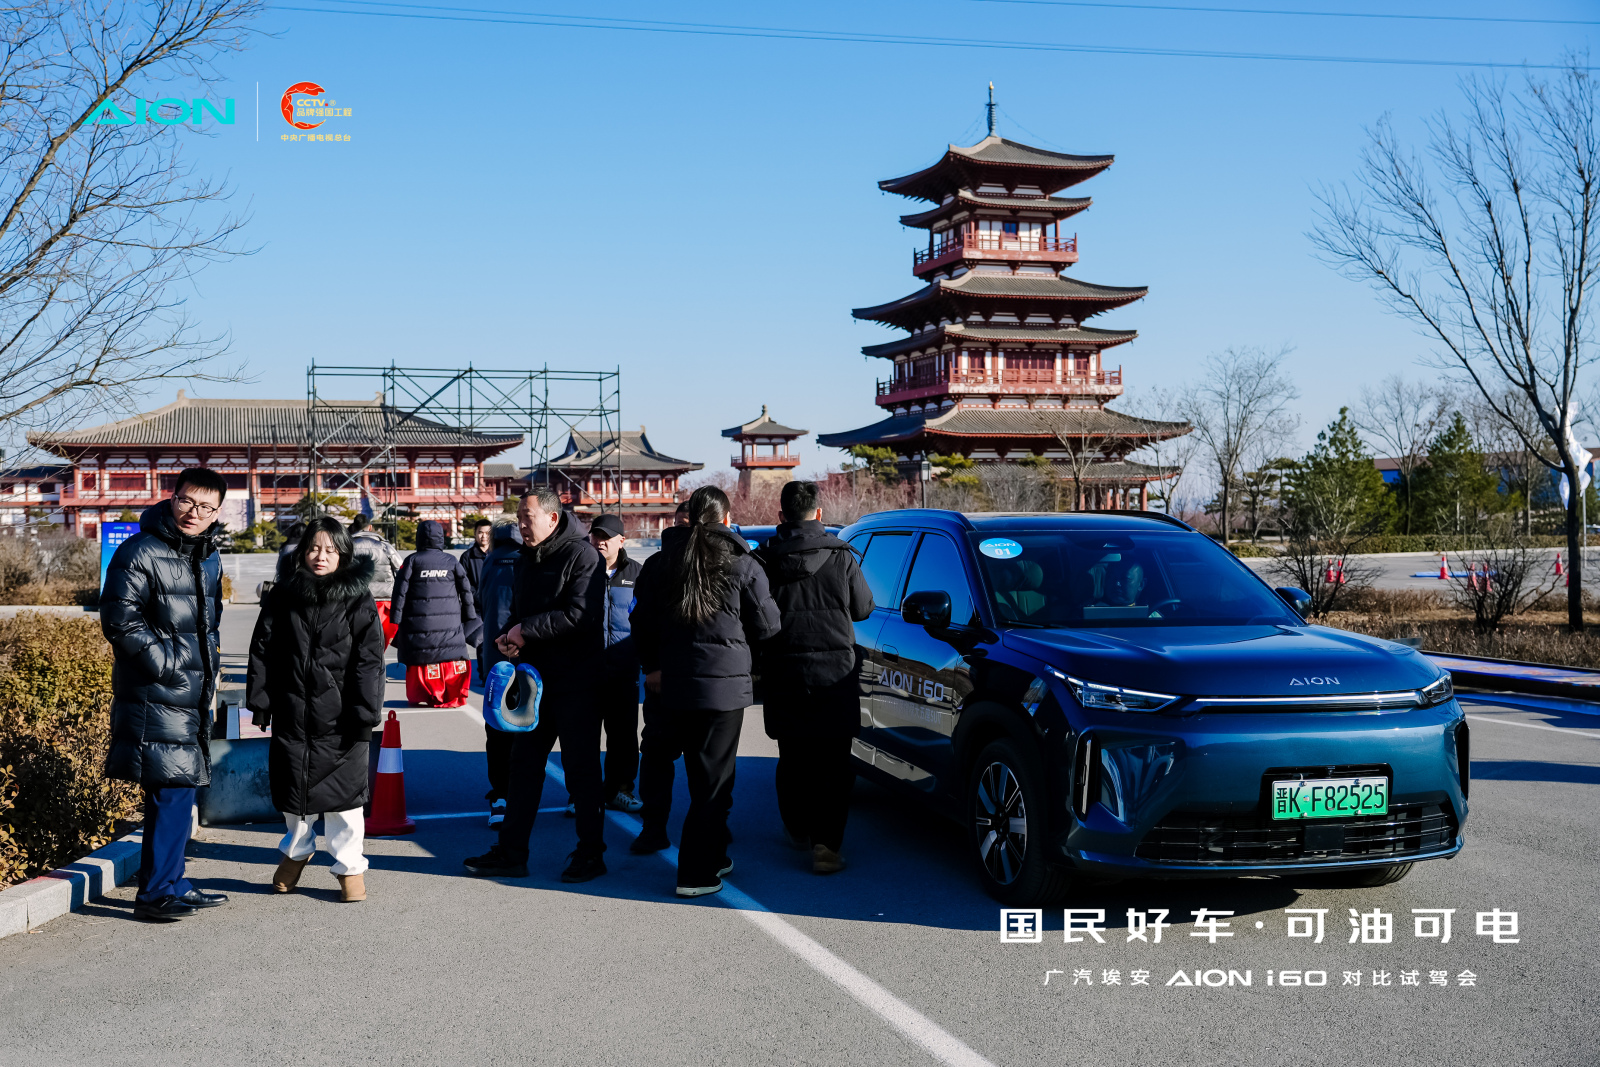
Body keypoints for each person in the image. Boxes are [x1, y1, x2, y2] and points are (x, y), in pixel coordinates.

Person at [631, 486, 781, 897]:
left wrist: (653, 664)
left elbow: (640, 623)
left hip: (672, 683)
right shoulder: (742, 563)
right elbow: (769, 626)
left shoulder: (660, 563)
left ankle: (713, 856)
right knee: (712, 782)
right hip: (723, 687)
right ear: (726, 519)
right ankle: (695, 872)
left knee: (683, 768)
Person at [101, 467, 231, 921]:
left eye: (206, 507)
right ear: (172, 498)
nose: (194, 512)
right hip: (157, 689)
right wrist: (167, 666)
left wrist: (210, 674)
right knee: (171, 786)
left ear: (217, 513)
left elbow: (209, 624)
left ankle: (173, 882)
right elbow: (120, 619)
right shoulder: (140, 551)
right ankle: (156, 893)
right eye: (187, 501)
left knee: (181, 786)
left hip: (193, 689)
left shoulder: (208, 556)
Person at [463, 488, 608, 883]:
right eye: (519, 518)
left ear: (552, 518)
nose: (521, 526)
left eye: (527, 518)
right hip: (535, 680)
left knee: (581, 771)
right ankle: (511, 853)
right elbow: (521, 612)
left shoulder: (583, 556)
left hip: (578, 682)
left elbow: (580, 615)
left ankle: (591, 854)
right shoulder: (527, 557)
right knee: (523, 767)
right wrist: (512, 638)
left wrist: (525, 630)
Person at [247, 517, 386, 903]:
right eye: (313, 548)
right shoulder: (283, 594)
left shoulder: (357, 598)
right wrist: (261, 702)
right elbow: (262, 649)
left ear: (343, 555)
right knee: (294, 795)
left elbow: (370, 660)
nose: (320, 556)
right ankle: (296, 852)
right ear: (302, 552)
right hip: (293, 713)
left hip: (343, 718)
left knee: (345, 801)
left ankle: (350, 867)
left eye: (330, 550)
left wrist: (365, 712)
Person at [754, 480, 874, 874]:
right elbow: (863, 609)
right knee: (834, 764)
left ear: (781, 515)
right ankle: (827, 846)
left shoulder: (763, 560)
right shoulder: (841, 556)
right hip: (835, 674)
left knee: (792, 757)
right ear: (818, 513)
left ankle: (797, 828)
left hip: (784, 671)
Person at [391, 519, 482, 708]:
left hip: (419, 623)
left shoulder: (412, 561)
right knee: (450, 654)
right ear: (441, 537)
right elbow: (466, 591)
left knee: (423, 656)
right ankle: (450, 693)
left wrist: (396, 619)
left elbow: (399, 592)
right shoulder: (451, 561)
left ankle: (425, 692)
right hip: (450, 622)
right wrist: (469, 616)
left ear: (419, 537)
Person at [587, 513, 644, 814]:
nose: (600, 541)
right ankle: (581, 794)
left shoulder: (637, 573)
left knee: (623, 737)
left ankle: (620, 789)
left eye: (606, 537)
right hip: (587, 670)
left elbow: (648, 620)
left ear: (621, 540)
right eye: (596, 535)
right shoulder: (582, 571)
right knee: (583, 737)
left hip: (624, 669)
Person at [476, 520, 523, 827]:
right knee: (528, 725)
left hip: (495, 655)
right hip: (524, 652)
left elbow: (482, 603)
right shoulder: (527, 559)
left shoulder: (490, 560)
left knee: (496, 727)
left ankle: (500, 796)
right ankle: (521, 794)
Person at [349, 514, 403, 646]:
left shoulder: (348, 547)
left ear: (354, 527)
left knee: (361, 640)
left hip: (356, 599)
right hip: (385, 601)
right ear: (370, 527)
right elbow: (401, 570)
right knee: (382, 639)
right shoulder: (385, 546)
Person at [462, 518, 494, 678]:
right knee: (482, 642)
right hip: (478, 607)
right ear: (475, 534)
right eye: (480, 532)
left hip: (495, 605)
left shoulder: (497, 555)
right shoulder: (467, 557)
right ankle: (484, 674)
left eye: (487, 533)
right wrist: (480, 597)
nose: (484, 536)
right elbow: (464, 584)